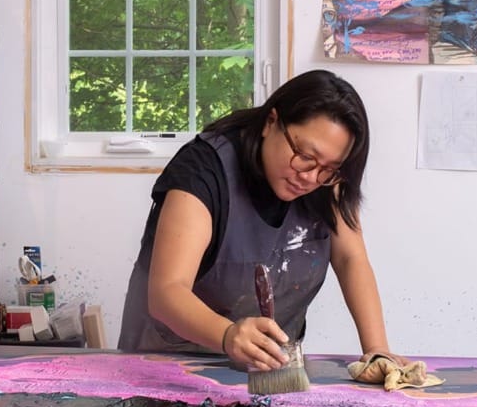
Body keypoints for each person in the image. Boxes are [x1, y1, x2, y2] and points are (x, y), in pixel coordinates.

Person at [117, 69, 407, 373]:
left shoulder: (325, 179)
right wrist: (227, 334)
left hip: (266, 369)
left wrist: (377, 351)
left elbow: (350, 258)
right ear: (271, 122)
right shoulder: (203, 171)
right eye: (305, 156)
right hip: (169, 366)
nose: (310, 177)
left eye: (329, 168)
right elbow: (167, 292)